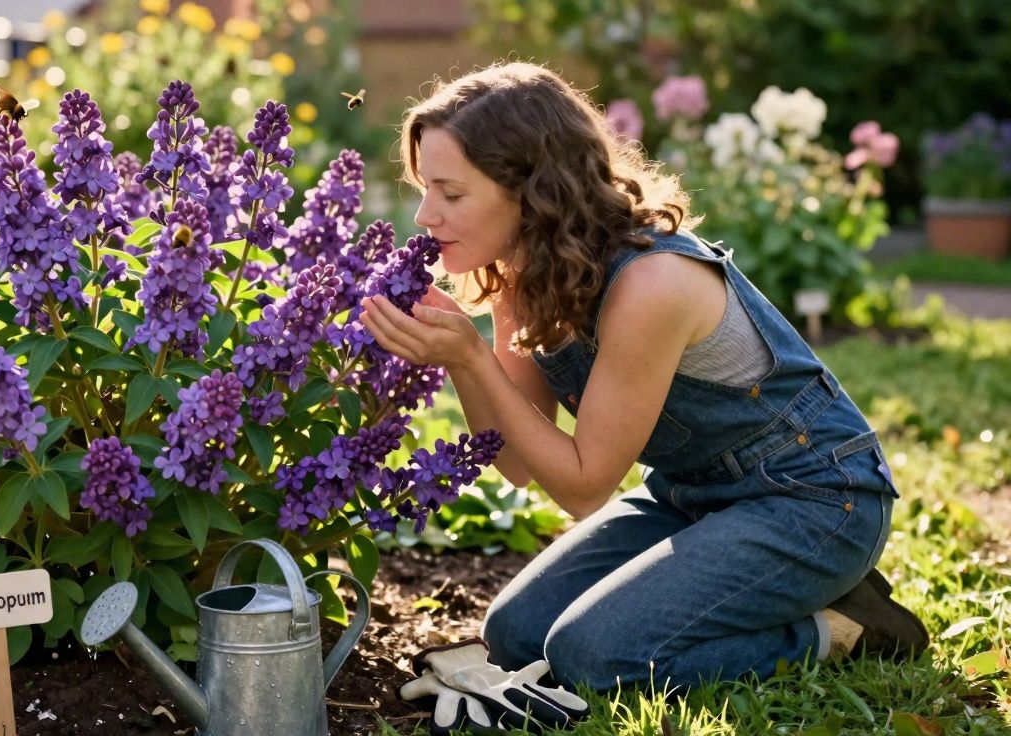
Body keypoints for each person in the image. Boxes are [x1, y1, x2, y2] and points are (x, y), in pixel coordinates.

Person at [357, 62, 929, 701]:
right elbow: (515, 462)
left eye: (451, 193)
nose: (425, 215)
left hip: (813, 501)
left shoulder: (652, 283)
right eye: (423, 188)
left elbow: (583, 487)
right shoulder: (522, 272)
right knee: (515, 633)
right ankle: (761, 587)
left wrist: (472, 357)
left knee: (596, 658)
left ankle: (844, 626)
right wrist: (464, 356)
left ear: (531, 190)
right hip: (691, 497)